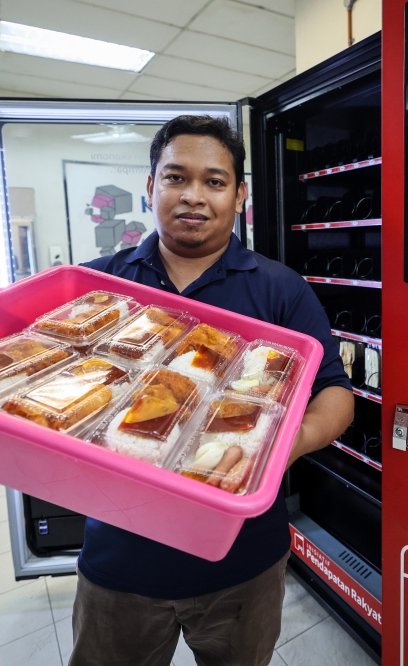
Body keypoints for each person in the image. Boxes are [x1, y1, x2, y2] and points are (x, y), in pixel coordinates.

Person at [70, 116, 355, 666]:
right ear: (150, 187)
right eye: (176, 178)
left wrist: (278, 451)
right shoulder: (100, 288)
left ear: (240, 194)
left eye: (215, 181)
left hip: (242, 564)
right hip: (120, 557)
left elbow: (335, 394)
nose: (193, 196)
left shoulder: (280, 290)